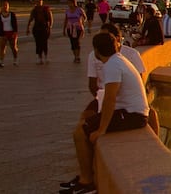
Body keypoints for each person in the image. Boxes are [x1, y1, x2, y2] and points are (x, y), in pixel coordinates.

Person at [60, 32, 149, 194]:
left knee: (80, 133)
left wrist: (101, 129)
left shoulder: (113, 65)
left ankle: (87, 181)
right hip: (130, 112)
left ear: (96, 50)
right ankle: (85, 176)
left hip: (133, 116)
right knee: (84, 126)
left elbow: (110, 99)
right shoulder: (118, 60)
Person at [28, 0, 54, 64]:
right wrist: (28, 27)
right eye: (38, 1)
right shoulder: (34, 10)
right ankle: (40, 58)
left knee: (44, 42)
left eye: (40, 1)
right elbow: (31, 18)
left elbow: (50, 18)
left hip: (44, 27)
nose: (39, 2)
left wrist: (50, 27)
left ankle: (46, 57)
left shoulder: (46, 9)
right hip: (37, 27)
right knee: (38, 43)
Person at [0, 1, 19, 67]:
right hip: (3, 34)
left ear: (8, 7)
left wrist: (15, 33)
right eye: (4, 5)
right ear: (1, 7)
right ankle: (1, 62)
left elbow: (15, 25)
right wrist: (2, 35)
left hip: (11, 33)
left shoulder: (12, 14)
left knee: (13, 47)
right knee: (2, 48)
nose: (5, 7)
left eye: (6, 5)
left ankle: (15, 59)